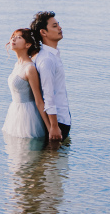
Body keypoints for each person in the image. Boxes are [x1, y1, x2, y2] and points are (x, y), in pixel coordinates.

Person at [30, 11, 71, 141]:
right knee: (53, 161)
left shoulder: (51, 55)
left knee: (52, 160)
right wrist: (53, 126)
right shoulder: (46, 59)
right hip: (58, 122)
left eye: (58, 25)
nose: (60, 28)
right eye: (54, 26)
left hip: (59, 119)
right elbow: (48, 94)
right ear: (43, 32)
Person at [2, 28, 49, 138]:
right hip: (14, 111)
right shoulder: (17, 65)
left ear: (27, 45)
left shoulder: (30, 69)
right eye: (13, 36)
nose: (13, 39)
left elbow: (38, 100)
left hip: (27, 116)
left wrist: (50, 128)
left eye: (19, 37)